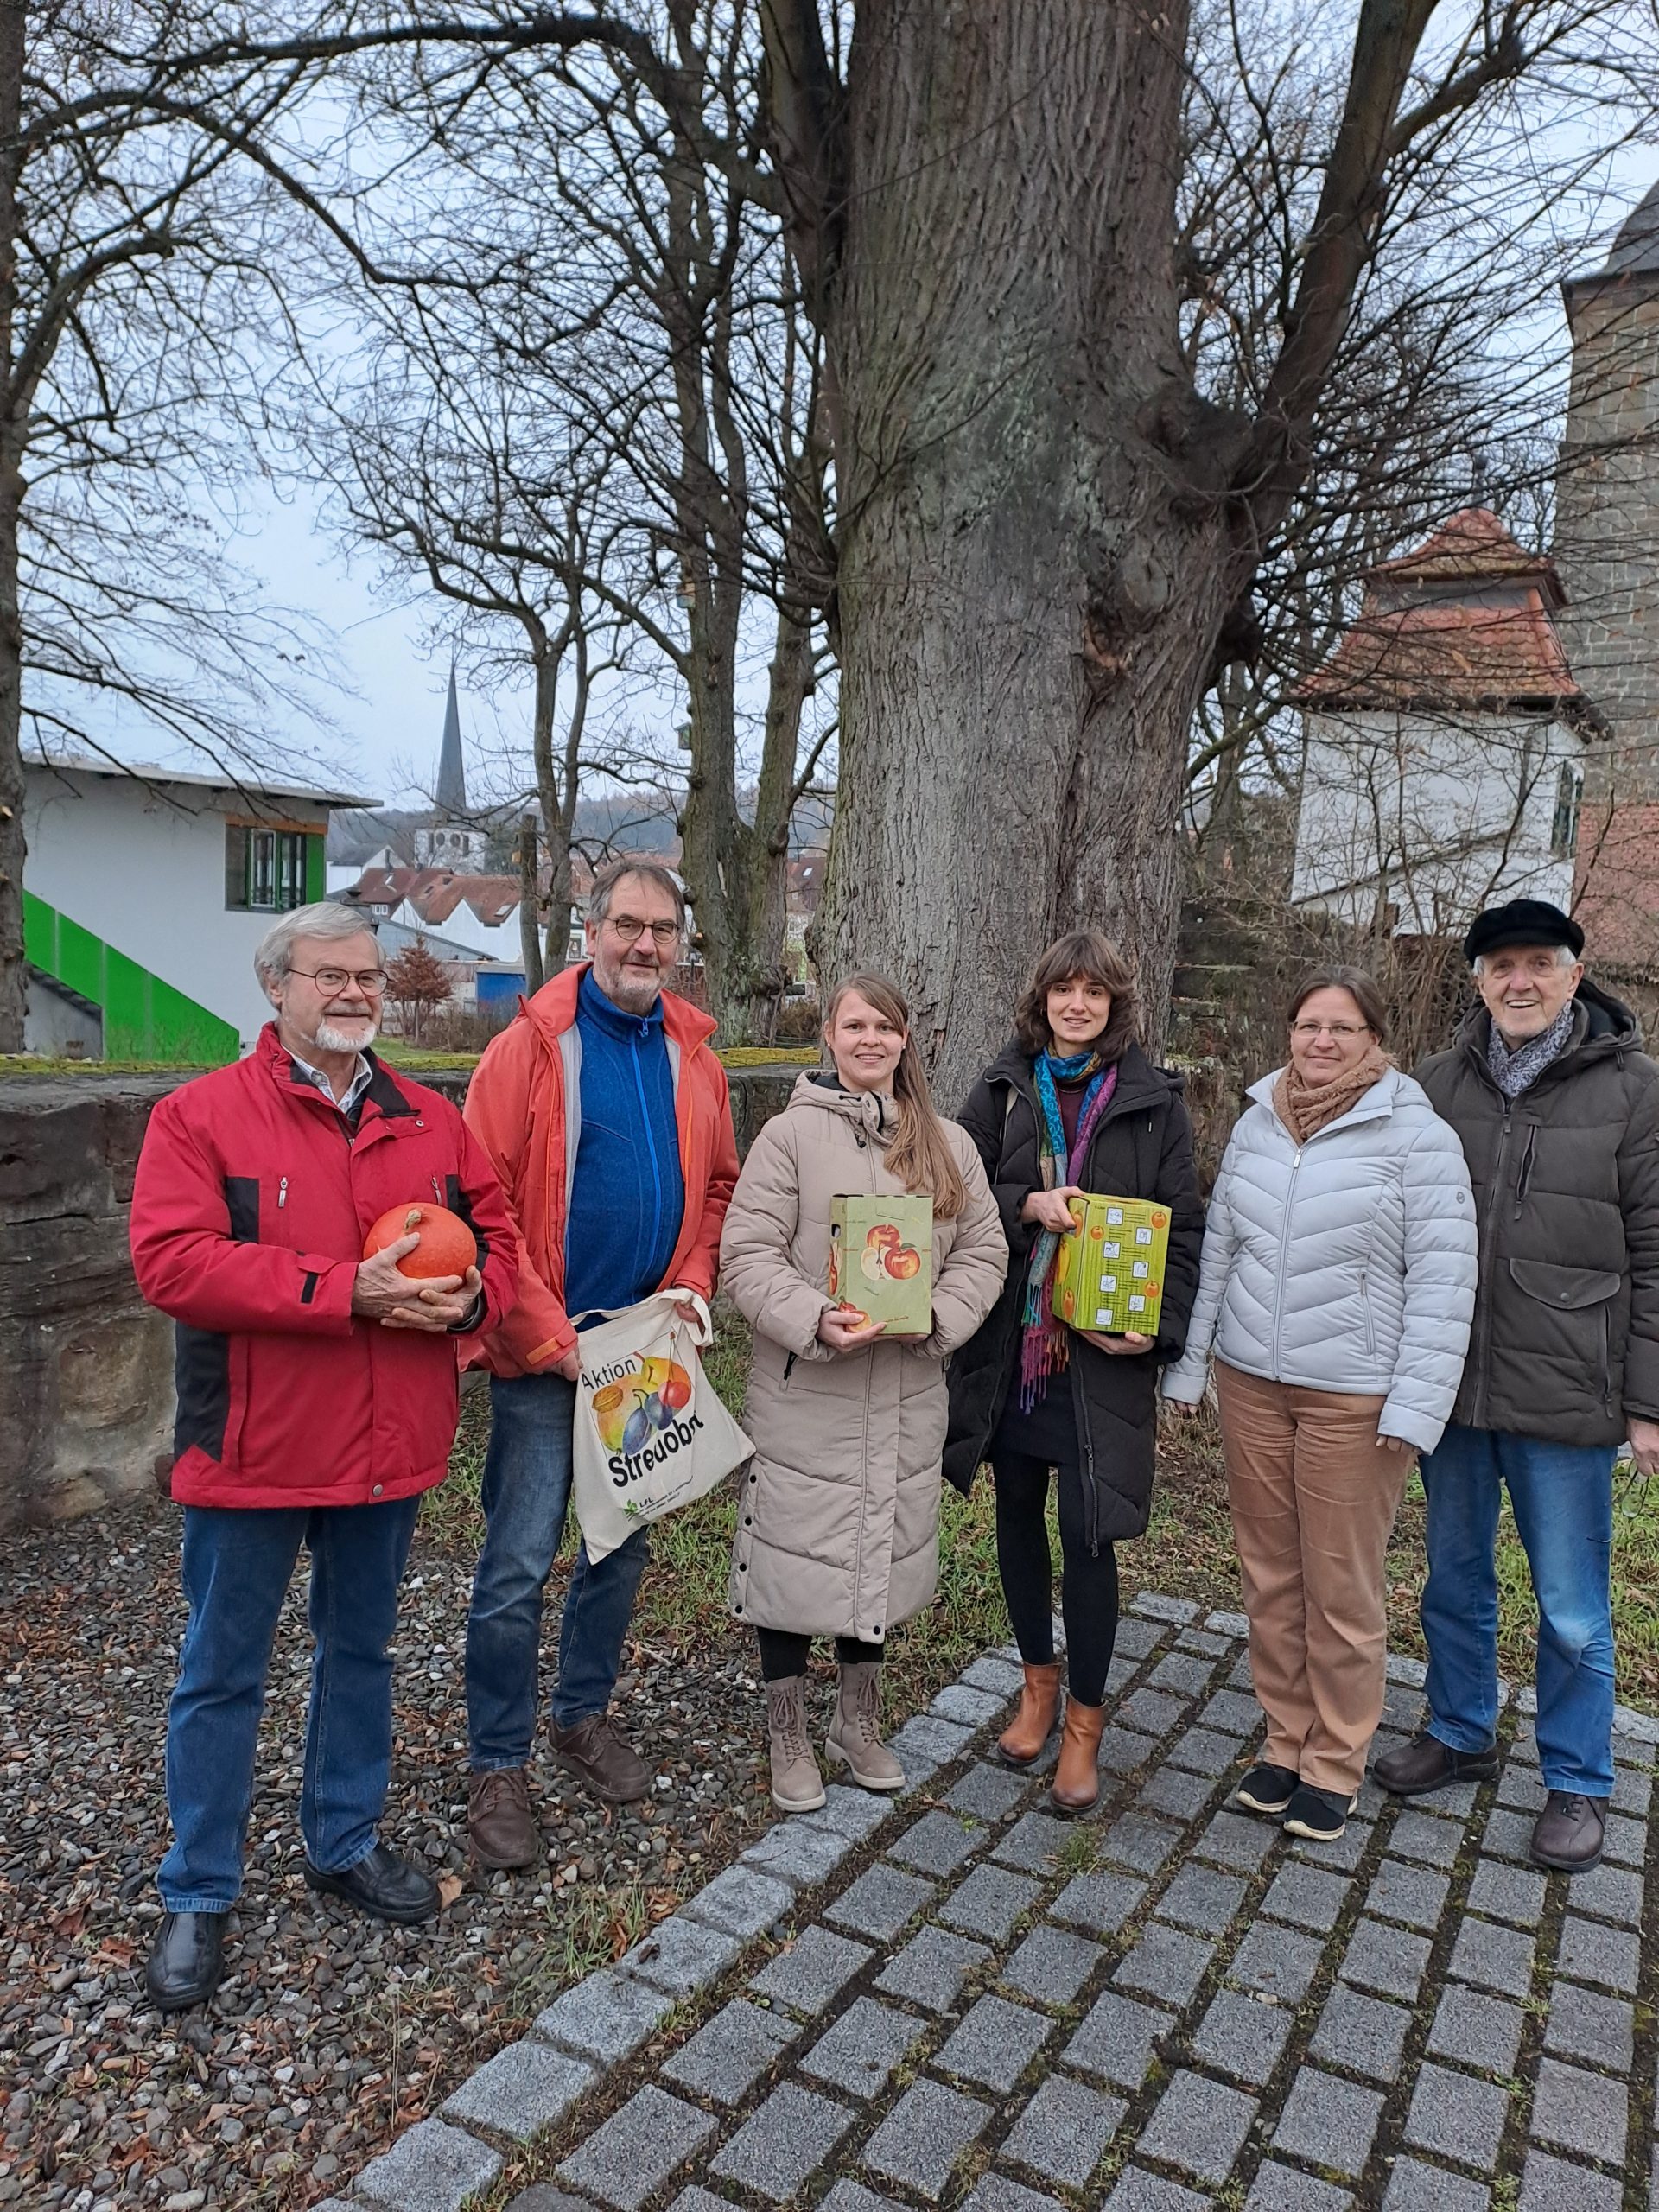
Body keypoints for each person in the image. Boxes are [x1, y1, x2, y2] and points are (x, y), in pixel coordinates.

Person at [128, 903, 518, 2011]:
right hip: (255, 1444)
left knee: (363, 1652)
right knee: (221, 1670)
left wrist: (474, 1297)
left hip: (386, 1443)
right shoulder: (200, 1117)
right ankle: (198, 1889)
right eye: (329, 976)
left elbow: (488, 1235)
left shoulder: (428, 1119)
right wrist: (341, 1289)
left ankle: (341, 1838)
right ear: (277, 988)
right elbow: (173, 1261)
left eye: (367, 978)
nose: (354, 993)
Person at [461, 859, 740, 1868]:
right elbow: (481, 1203)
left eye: (664, 931)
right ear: (590, 930)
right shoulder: (529, 1049)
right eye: (629, 924)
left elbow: (717, 1189)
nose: (646, 946)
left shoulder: (692, 1056)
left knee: (619, 1548)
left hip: (644, 1351)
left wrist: (695, 1285)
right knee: (517, 1564)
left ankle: (580, 1716)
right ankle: (498, 1763)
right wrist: (546, 1333)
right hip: (550, 1353)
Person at [1376, 900, 1659, 1872]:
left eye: (1541, 962)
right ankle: (1459, 1729)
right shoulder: (1435, 1086)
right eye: (1502, 966)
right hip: (1451, 1385)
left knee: (1574, 1606)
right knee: (1453, 1578)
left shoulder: (1635, 1091)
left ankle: (1577, 1779)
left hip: (1569, 1390)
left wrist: (1649, 1401)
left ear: (1576, 975)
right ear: (1478, 982)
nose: (1521, 981)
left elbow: (1657, 1252)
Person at [1162, 966, 1476, 1840]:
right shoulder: (1261, 1121)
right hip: (1254, 1386)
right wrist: (1190, 1372)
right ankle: (1283, 1738)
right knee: (1271, 1575)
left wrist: (1415, 1408)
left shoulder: (1417, 1136)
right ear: (1289, 1032)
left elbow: (1446, 1284)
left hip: (1354, 1398)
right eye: (1308, 1025)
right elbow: (1219, 1250)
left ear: (1375, 1039)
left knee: (1340, 1587)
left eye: (1342, 1027)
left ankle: (1336, 1759)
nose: (1322, 1041)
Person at [719, 974, 1007, 1813]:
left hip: (909, 1389)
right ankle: (788, 1730)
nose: (871, 1039)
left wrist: (937, 1319)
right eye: (855, 1025)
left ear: (905, 1039)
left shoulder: (947, 1144)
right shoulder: (789, 1138)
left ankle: (857, 1719)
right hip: (810, 1386)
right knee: (793, 1554)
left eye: (885, 1025)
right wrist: (814, 1315)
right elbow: (748, 1254)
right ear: (831, 1037)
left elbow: (984, 1252)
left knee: (873, 1547)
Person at [944, 931, 1204, 1815]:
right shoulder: (1000, 1089)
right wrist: (1026, 1204)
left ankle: (1086, 1726)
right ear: (1043, 999)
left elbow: (1186, 1233)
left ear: (1114, 1005)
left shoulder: (1154, 1101)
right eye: (1065, 990)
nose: (1079, 1005)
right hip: (1015, 1356)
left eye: (1095, 992)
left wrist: (1158, 1332)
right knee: (1017, 1519)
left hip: (1101, 1362)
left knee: (1090, 1539)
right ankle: (1037, 1687)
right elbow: (958, 1197)